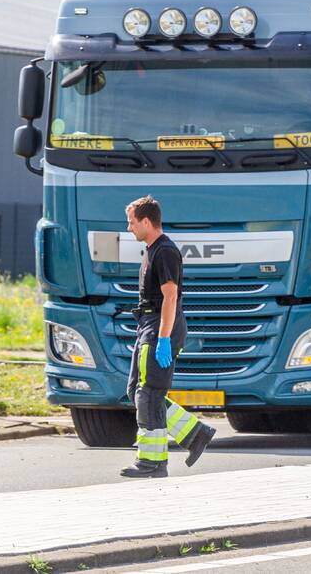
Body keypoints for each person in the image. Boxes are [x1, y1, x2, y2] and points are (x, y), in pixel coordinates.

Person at [122, 196, 215, 478]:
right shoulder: (151, 250)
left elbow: (170, 296)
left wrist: (163, 338)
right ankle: (195, 432)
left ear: (147, 222)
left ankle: (152, 463)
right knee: (137, 391)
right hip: (149, 325)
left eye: (132, 222)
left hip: (161, 327)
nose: (129, 228)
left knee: (148, 393)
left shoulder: (165, 252)